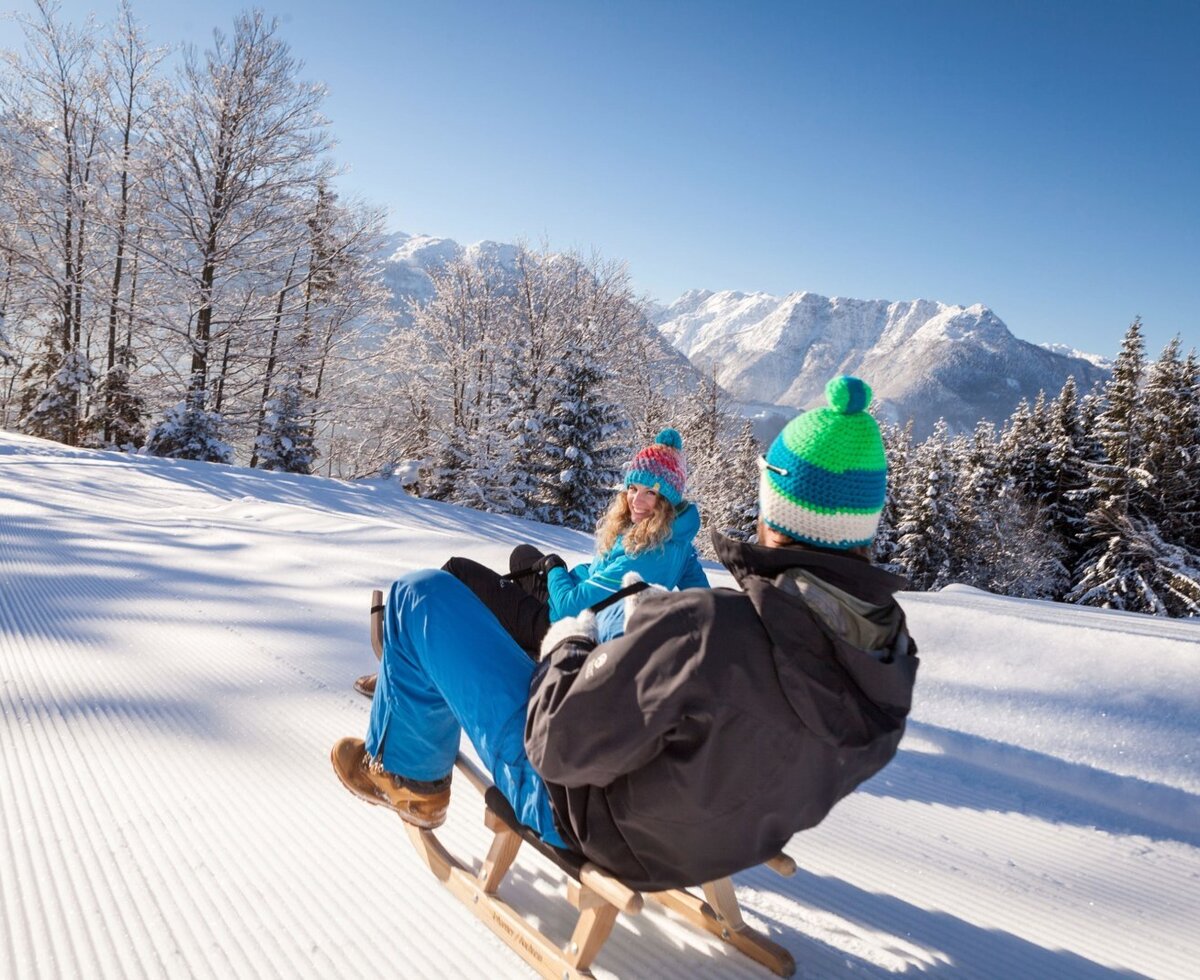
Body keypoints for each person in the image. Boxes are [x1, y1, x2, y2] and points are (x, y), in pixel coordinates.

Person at [332, 376, 918, 891]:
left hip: (584, 821)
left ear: (775, 508)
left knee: (421, 595)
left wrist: (571, 642)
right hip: (712, 844)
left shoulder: (713, 628)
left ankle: (409, 776)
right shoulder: (888, 663)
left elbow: (557, 743)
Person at [353, 428, 709, 696]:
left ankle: (402, 671)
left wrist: (555, 570)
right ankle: (512, 643)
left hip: (564, 629)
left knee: (459, 571)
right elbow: (703, 600)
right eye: (633, 488)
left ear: (667, 501)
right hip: (585, 610)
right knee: (523, 556)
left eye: (651, 493)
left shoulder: (645, 553)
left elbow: (565, 608)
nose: (637, 500)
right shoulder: (678, 540)